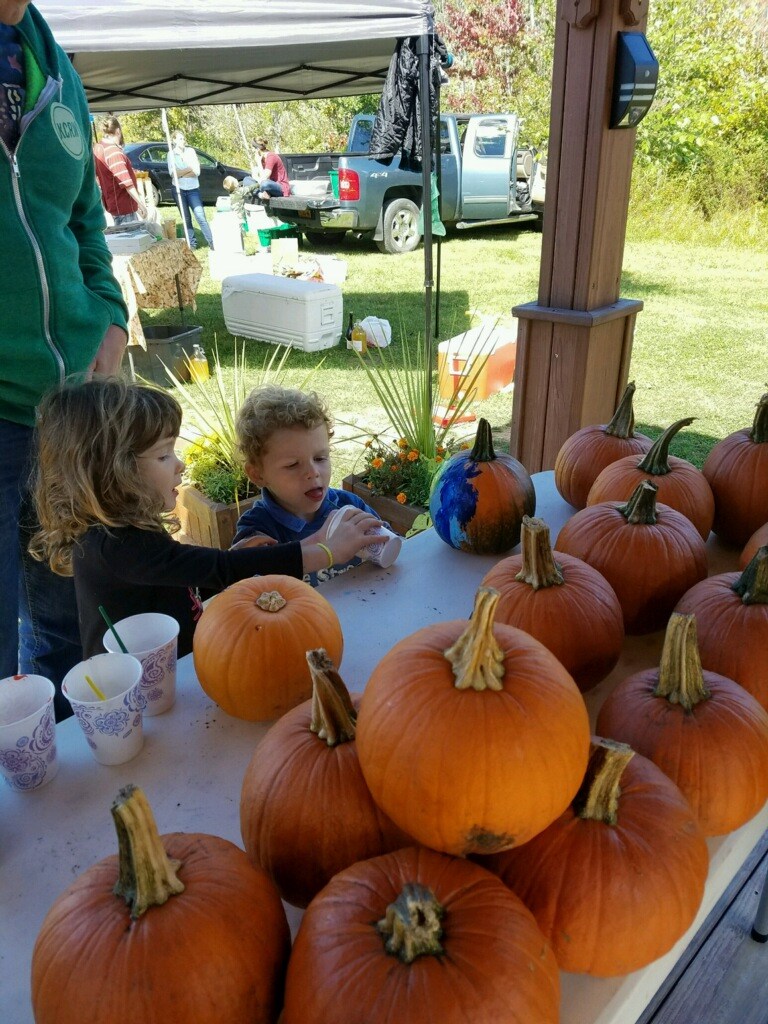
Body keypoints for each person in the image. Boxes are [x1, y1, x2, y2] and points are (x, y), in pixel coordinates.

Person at [30, 378, 381, 663]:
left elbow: (186, 581)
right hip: (144, 695)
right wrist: (322, 551)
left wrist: (249, 560)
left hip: (174, 675)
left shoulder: (127, 532)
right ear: (115, 471)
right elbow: (217, 567)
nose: (180, 465)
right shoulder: (116, 545)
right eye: (164, 455)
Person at [1, 0, 129, 720]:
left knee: (64, 621)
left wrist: (109, 312)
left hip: (70, 403)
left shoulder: (48, 55)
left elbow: (83, 214)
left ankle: (60, 810)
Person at [233, 385, 385, 585]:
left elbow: (393, 550)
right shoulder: (257, 531)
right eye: (293, 465)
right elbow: (250, 590)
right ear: (258, 474)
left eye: (320, 458)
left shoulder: (349, 507)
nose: (313, 472)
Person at [93, 115, 147, 225]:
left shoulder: (98, 148)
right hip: (123, 209)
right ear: (118, 131)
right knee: (131, 241)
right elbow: (127, 183)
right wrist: (141, 204)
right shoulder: (114, 152)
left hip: (114, 204)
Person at [167, 129, 214, 249]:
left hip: (193, 189)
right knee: (186, 217)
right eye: (180, 139)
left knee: (200, 216)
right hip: (179, 190)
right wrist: (189, 169)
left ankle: (212, 242)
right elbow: (173, 174)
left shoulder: (191, 152)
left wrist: (181, 173)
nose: (183, 141)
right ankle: (192, 244)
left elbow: (197, 171)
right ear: (174, 140)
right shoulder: (171, 154)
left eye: (183, 138)